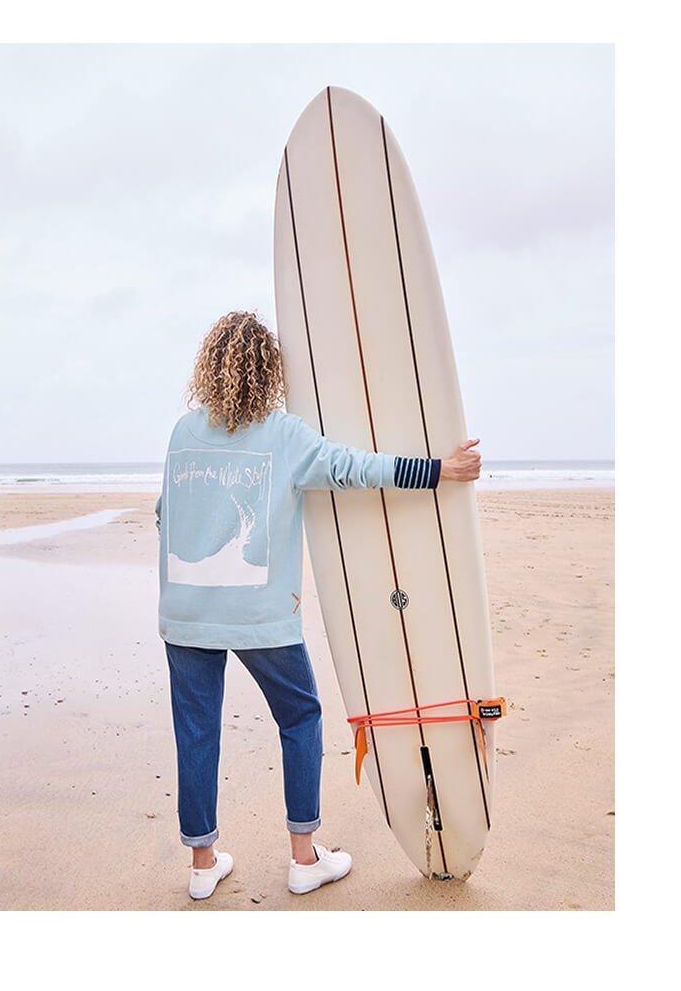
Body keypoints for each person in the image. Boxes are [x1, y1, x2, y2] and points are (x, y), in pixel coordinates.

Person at [156, 310, 481, 900]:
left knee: (196, 731)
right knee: (301, 719)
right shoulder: (285, 435)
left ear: (209, 368)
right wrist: (438, 471)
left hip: (185, 616)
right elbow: (357, 469)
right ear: (268, 372)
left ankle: (203, 864)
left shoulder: (183, 433)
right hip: (262, 616)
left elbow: (163, 515)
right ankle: (304, 858)